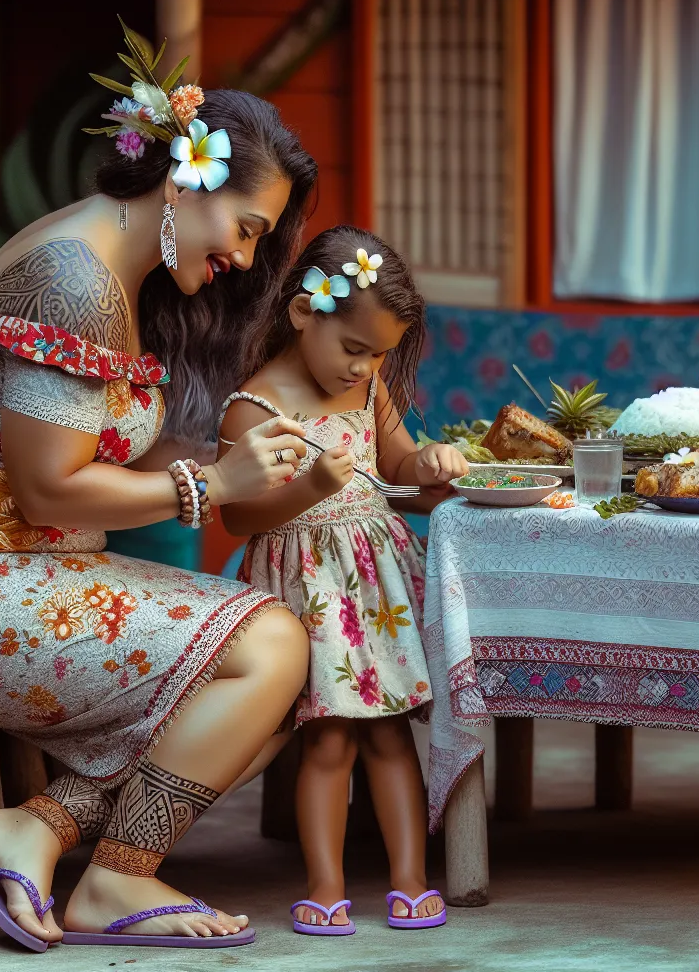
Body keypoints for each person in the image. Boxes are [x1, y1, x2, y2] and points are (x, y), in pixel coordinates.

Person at [0, 24, 317, 951]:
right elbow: (48, 492)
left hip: (22, 575)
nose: (244, 256)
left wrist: (243, 455)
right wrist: (208, 482)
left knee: (280, 681)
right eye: (248, 228)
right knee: (269, 643)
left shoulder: (109, 273)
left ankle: (40, 827)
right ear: (187, 178)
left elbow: (89, 451)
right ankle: (117, 881)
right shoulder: (72, 280)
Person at [218, 225, 467, 935]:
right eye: (353, 348)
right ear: (304, 313)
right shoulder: (255, 408)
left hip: (375, 584)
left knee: (390, 734)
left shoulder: (368, 388)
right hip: (309, 590)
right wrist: (306, 490)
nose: (364, 368)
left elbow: (398, 467)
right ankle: (324, 883)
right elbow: (238, 520)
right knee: (328, 739)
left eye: (379, 354)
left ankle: (410, 878)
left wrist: (432, 463)